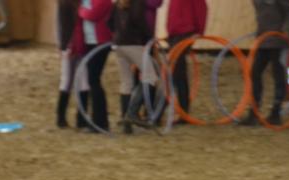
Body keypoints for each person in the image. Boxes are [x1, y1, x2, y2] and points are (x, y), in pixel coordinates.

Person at [244, 0, 289, 125]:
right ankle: (254, 112)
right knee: (254, 73)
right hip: (264, 42)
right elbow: (262, 16)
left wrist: (286, 29)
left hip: (280, 42)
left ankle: (276, 113)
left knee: (280, 75)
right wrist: (259, 34)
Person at [112, 0, 163, 132]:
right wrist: (150, 37)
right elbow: (139, 21)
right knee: (151, 77)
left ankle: (126, 123)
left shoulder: (117, 3)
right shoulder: (137, 2)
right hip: (134, 44)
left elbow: (110, 23)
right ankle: (132, 113)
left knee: (126, 82)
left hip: (118, 45)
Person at [72, 0, 114, 132]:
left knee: (94, 80)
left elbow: (92, 14)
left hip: (100, 42)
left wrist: (81, 11)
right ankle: (97, 120)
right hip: (89, 42)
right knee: (92, 81)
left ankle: (100, 122)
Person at [164, 0, 207, 120]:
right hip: (174, 35)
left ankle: (181, 111)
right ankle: (179, 110)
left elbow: (201, 8)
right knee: (175, 72)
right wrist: (169, 32)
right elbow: (172, 13)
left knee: (176, 72)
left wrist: (199, 31)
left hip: (185, 33)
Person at [56, 0, 88, 128]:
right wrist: (64, 45)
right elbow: (62, 26)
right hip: (72, 45)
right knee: (68, 81)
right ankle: (62, 117)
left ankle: (79, 117)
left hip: (78, 44)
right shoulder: (66, 3)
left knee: (80, 81)